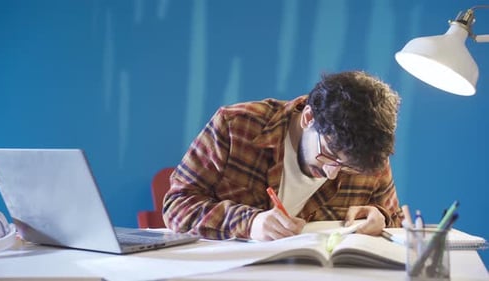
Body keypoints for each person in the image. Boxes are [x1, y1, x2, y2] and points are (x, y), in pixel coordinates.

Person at [163, 70, 403, 241]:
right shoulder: (235, 126)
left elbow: (396, 221)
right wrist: (250, 223)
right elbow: (176, 206)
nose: (332, 173)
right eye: (329, 155)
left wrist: (380, 217)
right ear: (309, 118)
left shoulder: (368, 154)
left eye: (347, 167)